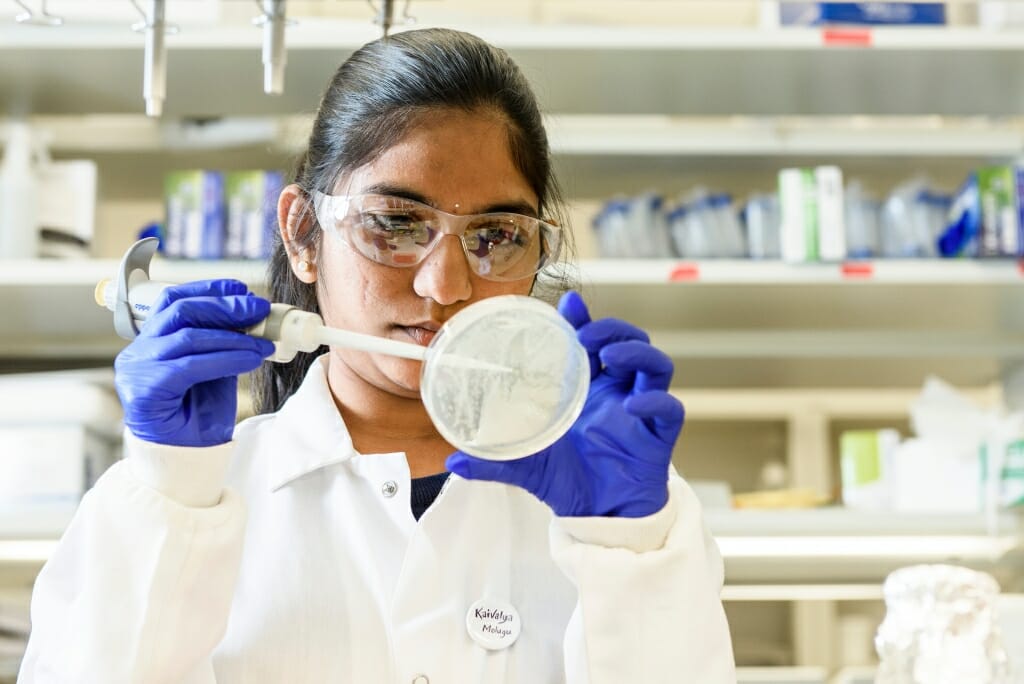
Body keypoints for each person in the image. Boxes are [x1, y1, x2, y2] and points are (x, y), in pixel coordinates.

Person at [20, 28, 735, 683]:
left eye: (495, 236)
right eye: (395, 224)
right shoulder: (196, 498)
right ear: (304, 234)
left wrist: (630, 550)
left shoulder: (615, 508)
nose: (446, 284)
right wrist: (169, 492)